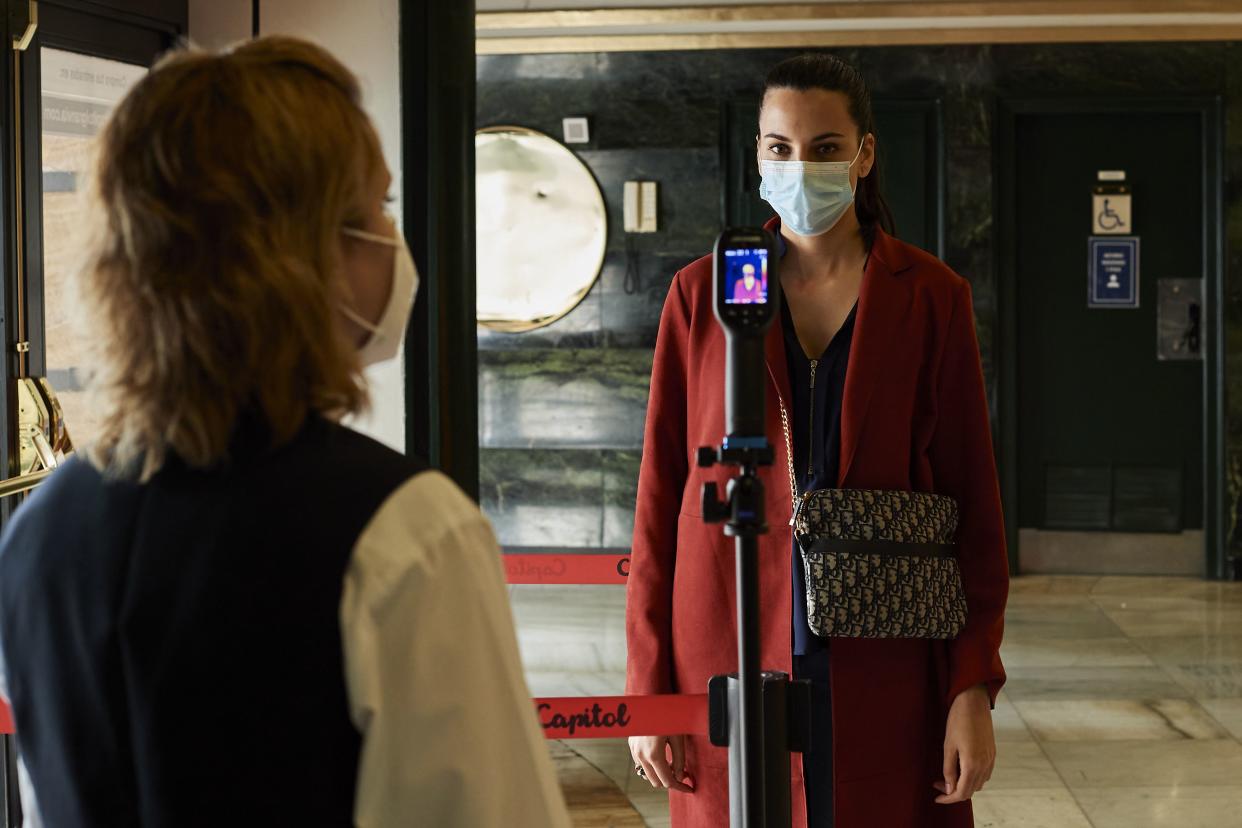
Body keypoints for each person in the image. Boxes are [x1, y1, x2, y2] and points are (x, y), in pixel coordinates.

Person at [0, 37, 569, 828]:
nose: (393, 243)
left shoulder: (41, 531)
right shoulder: (407, 533)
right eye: (376, 208)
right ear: (300, 255)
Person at [626, 53, 1008, 827]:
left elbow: (973, 506)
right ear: (758, 156)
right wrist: (650, 687)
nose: (802, 167)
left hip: (886, 650)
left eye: (826, 148)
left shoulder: (929, 298)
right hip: (729, 642)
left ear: (865, 154)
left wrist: (972, 687)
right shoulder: (709, 291)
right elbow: (660, 496)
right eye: (780, 148)